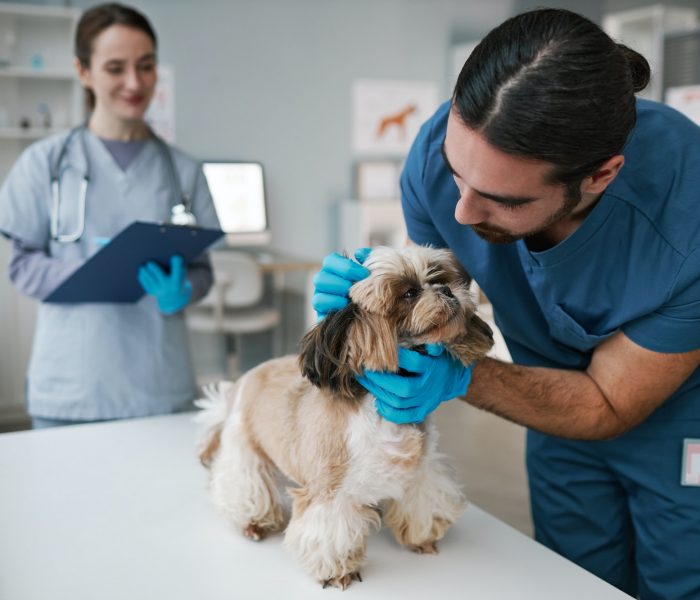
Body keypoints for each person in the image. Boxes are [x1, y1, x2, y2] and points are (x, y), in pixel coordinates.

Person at [313, 8, 700, 600]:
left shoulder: (686, 212)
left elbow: (606, 404)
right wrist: (382, 292)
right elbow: (443, 291)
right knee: (576, 577)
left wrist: (461, 377)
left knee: (677, 580)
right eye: (455, 174)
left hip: (676, 419)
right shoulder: (437, 153)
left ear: (598, 177)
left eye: (500, 199)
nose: (462, 214)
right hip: (546, 401)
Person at [0, 3, 220, 428]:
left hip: (159, 385)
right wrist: (91, 271)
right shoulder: (43, 162)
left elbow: (202, 271)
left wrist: (184, 290)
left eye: (146, 66)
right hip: (70, 389)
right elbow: (22, 265)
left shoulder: (184, 171)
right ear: (83, 71)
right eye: (116, 68)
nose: (134, 83)